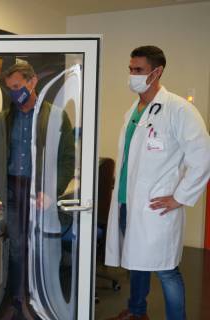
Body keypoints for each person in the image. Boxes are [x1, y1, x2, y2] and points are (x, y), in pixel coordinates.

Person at [105, 46, 210, 320]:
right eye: (130, 69)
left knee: (166, 270)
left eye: (138, 70)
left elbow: (203, 156)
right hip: (128, 201)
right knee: (135, 261)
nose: (132, 75)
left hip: (157, 206)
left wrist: (180, 196)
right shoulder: (134, 111)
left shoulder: (179, 109)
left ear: (157, 72)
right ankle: (137, 311)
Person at [1, 62, 75, 316]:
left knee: (42, 248)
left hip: (41, 192)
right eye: (10, 88)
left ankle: (42, 299)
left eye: (18, 86)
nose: (14, 92)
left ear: (33, 83)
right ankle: (18, 299)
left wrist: (52, 190)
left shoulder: (55, 115)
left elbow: (67, 158)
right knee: (17, 248)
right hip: (13, 190)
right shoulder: (6, 116)